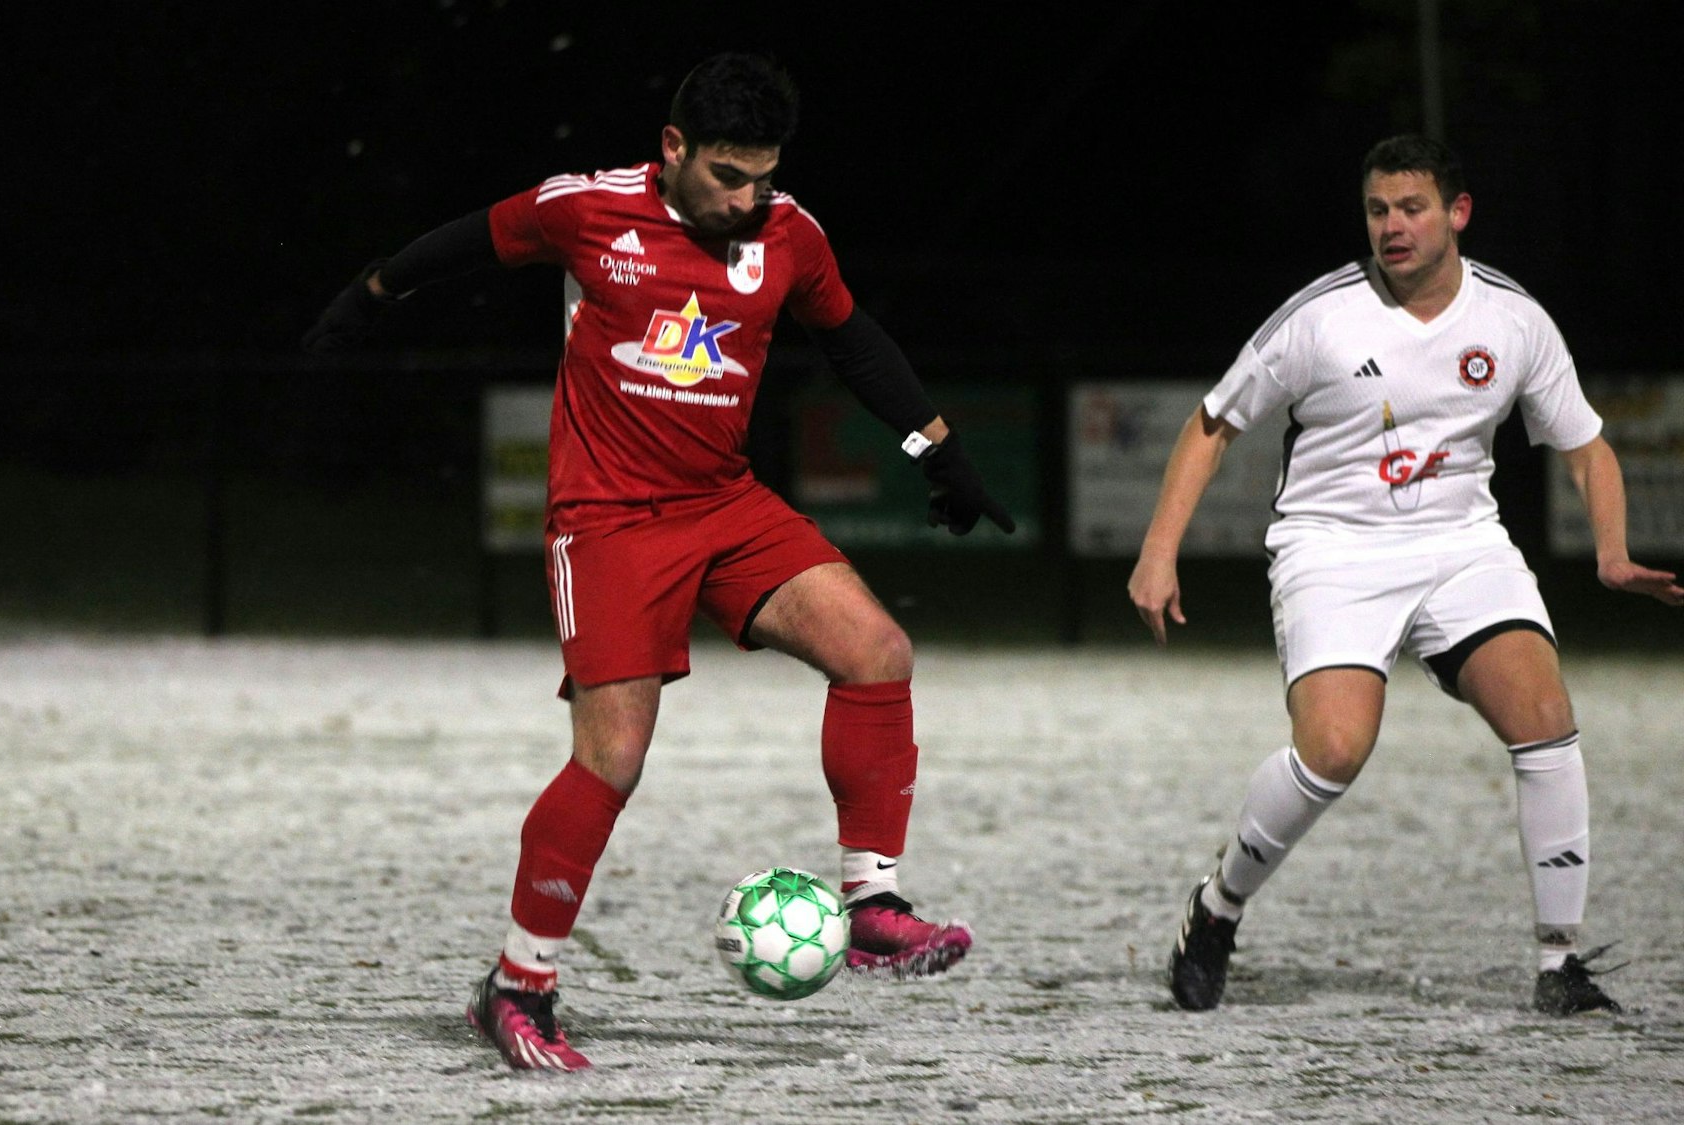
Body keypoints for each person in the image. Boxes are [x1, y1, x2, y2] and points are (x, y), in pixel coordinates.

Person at [303, 52, 1013, 1071]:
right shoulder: (586, 210)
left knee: (876, 651)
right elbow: (467, 242)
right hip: (606, 521)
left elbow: (853, 342)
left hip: (724, 503)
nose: (745, 198)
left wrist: (937, 452)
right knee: (614, 756)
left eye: (761, 177)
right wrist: (371, 293)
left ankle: (870, 905)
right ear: (673, 148)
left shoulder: (789, 234)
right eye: (727, 175)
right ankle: (517, 985)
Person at [1127, 135, 1681, 1017]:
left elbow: (1587, 446)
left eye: (1412, 208)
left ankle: (1561, 963)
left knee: (1545, 719)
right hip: (1333, 549)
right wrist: (1158, 552)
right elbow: (1212, 424)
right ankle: (1219, 906)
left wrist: (1610, 551)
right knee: (1334, 751)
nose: (1393, 226)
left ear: (1457, 213)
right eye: (1378, 210)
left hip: (1462, 546)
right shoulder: (1321, 316)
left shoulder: (1513, 319)